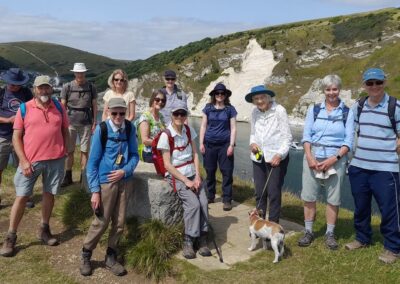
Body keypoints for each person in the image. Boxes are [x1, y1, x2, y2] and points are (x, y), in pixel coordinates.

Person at [0, 75, 69, 257]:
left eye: (47, 88)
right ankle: (11, 236)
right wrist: (23, 160)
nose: (44, 91)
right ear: (35, 90)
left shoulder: (59, 108)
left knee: (49, 194)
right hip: (31, 160)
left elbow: (64, 130)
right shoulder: (24, 108)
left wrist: (67, 151)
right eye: (41, 88)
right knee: (22, 196)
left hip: (56, 159)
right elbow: (16, 137)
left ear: (51, 89)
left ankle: (44, 230)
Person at [345, 68, 400, 264]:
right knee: (360, 207)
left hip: (386, 169)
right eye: (370, 83)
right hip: (359, 166)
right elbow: (350, 133)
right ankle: (362, 238)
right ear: (364, 85)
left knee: (389, 209)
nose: (374, 86)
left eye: (378, 82)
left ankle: (393, 247)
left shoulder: (395, 106)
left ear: (385, 82)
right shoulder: (358, 106)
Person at [80, 97, 139, 276]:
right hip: (105, 183)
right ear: (109, 112)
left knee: (119, 223)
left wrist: (125, 171)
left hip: (124, 181)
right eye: (115, 113)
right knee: (101, 221)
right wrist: (95, 191)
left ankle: (111, 256)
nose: (119, 116)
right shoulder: (102, 129)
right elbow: (92, 163)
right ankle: (86, 254)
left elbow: (135, 155)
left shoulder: (130, 128)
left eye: (122, 113)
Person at [297, 75, 354, 250]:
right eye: (328, 89)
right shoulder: (314, 110)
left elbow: (348, 142)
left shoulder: (347, 112)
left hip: (335, 159)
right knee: (309, 197)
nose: (331, 93)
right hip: (312, 158)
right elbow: (306, 136)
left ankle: (330, 233)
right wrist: (309, 156)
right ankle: (308, 231)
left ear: (339, 90)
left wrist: (333, 159)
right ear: (324, 91)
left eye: (335, 89)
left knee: (333, 199)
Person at [157, 101, 211, 259]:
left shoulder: (188, 130)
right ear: (171, 116)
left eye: (183, 114)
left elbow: (195, 154)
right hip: (177, 175)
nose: (180, 117)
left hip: (192, 174)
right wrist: (186, 181)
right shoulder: (165, 136)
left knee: (204, 202)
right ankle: (188, 240)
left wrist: (197, 175)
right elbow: (167, 165)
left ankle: (203, 237)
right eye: (176, 114)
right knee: (193, 205)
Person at [246, 85, 292, 223]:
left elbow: (287, 137)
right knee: (259, 193)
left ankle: (272, 226)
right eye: (256, 99)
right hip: (258, 157)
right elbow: (253, 133)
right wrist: (252, 144)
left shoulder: (279, 111)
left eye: (262, 98)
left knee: (273, 193)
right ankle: (259, 225)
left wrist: (280, 155)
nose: (259, 101)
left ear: (268, 97)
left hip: (275, 158)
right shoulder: (254, 112)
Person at [199, 83, 237, 211]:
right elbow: (203, 126)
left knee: (227, 172)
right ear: (214, 95)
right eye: (217, 93)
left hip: (225, 145)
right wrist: (201, 143)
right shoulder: (208, 108)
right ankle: (210, 195)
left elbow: (233, 128)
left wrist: (231, 145)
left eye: (222, 93)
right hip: (209, 144)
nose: (220, 95)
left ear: (225, 95)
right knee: (209, 171)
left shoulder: (230, 109)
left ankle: (227, 199)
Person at [61, 62, 98, 187]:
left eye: (82, 72)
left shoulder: (91, 87)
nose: (80, 74)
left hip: (86, 123)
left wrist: (94, 122)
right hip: (70, 123)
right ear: (74, 73)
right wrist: (62, 123)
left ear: (85, 73)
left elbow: (94, 105)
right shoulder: (67, 87)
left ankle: (83, 177)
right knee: (69, 151)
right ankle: (68, 176)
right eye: (78, 72)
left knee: (84, 151)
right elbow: (62, 106)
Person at [0, 68, 33, 208]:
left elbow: (33, 111)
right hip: (3, 137)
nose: (14, 86)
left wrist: (23, 121)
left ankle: (25, 197)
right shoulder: (1, 93)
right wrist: (8, 120)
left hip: (22, 137)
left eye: (17, 84)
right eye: (12, 84)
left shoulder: (26, 93)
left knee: (23, 167)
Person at [137, 89, 166, 163]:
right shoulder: (145, 117)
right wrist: (163, 143)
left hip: (159, 151)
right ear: (152, 100)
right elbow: (145, 140)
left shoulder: (161, 116)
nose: (160, 102)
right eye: (157, 99)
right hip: (149, 153)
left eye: (163, 100)